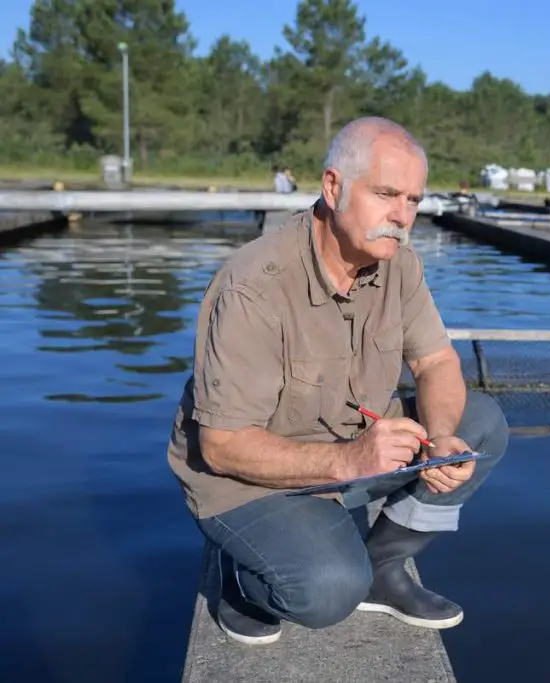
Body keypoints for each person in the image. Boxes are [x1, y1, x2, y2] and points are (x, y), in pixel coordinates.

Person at [166, 116, 509, 646]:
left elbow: (437, 362)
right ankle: (242, 573)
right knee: (326, 592)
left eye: (414, 200)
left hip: (351, 453)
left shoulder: (400, 265)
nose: (402, 217)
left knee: (482, 424)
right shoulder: (253, 287)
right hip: (248, 480)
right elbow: (223, 447)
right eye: (386, 194)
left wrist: (440, 439)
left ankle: (384, 565)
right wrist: (350, 461)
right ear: (333, 187)